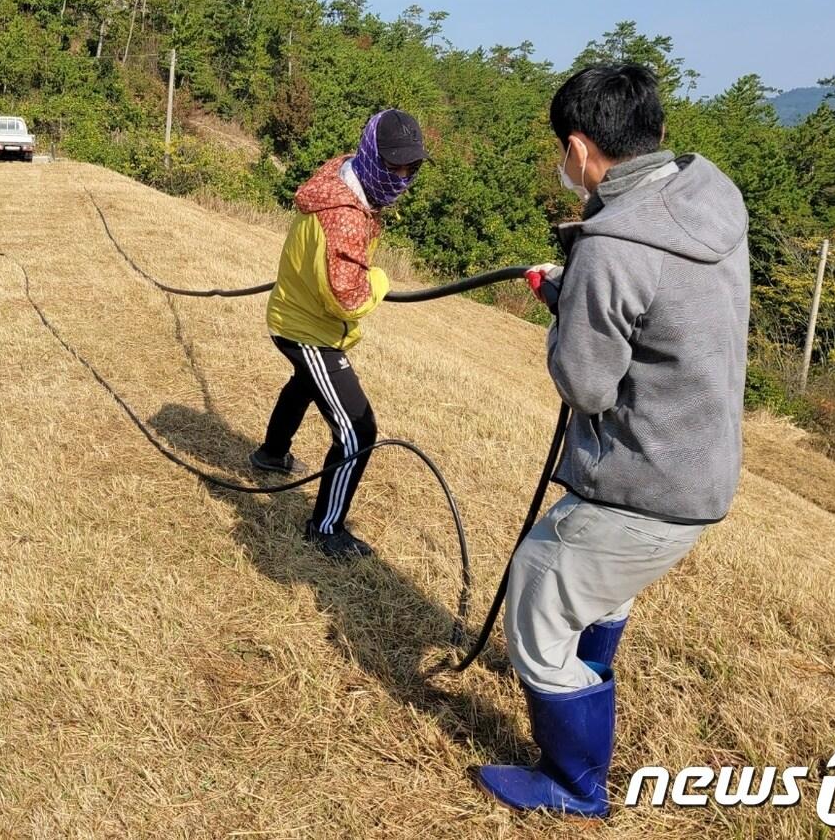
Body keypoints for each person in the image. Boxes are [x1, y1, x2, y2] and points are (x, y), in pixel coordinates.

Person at [476, 63, 750, 818]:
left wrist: (570, 309)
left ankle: (573, 784)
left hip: (645, 481)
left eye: (564, 156)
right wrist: (575, 292)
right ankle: (582, 672)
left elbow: (587, 385)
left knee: (538, 582)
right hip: (701, 470)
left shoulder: (611, 243)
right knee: (595, 585)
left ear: (578, 146)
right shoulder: (709, 196)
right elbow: (662, 317)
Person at [251, 109, 427, 560]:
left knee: (304, 384)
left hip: (297, 314)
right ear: (371, 155)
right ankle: (325, 528)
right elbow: (346, 298)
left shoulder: (342, 171)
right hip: (309, 329)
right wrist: (381, 282)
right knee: (358, 430)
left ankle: (271, 455)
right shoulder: (345, 217)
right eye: (393, 165)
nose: (401, 177)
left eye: (410, 167)